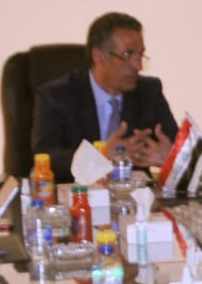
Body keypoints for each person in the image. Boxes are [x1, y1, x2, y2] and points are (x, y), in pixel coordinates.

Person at [32, 12, 178, 181]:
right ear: (99, 57)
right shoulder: (56, 95)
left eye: (140, 55)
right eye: (128, 54)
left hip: (130, 194)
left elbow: (181, 149)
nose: (138, 66)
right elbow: (46, 156)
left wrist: (171, 159)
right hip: (77, 193)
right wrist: (100, 155)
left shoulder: (148, 91)